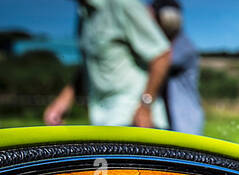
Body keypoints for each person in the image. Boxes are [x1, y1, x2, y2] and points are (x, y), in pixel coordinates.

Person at [44, 0, 172, 128]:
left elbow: (161, 55)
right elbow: (89, 66)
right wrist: (63, 99)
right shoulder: (83, 16)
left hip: (132, 118)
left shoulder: (123, 4)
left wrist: (145, 106)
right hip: (101, 120)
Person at [149, 0, 205, 135]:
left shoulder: (184, 46)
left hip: (185, 120)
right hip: (171, 119)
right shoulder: (173, 45)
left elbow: (161, 61)